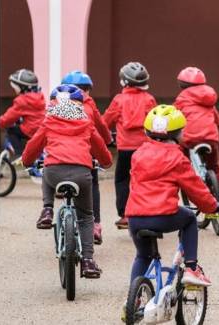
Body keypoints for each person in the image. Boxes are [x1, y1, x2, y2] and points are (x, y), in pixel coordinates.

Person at [125, 104, 219, 286]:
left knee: (142, 255)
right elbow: (195, 189)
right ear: (177, 134)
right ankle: (192, 268)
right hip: (162, 216)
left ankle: (133, 300)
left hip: (135, 218)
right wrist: (213, 206)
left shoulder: (138, 155)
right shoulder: (177, 158)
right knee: (190, 219)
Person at [22, 85, 112, 277]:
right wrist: (105, 162)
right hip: (82, 174)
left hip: (54, 172)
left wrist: (27, 161)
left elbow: (32, 147)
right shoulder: (86, 123)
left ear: (54, 103)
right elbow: (103, 152)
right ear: (79, 104)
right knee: (87, 216)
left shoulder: (49, 121)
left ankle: (47, 208)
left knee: (46, 168)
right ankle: (88, 261)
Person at [103, 62, 157, 229]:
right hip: (145, 148)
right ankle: (150, 213)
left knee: (122, 179)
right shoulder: (149, 99)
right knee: (146, 180)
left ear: (124, 82)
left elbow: (106, 121)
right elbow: (155, 122)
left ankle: (126, 215)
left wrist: (105, 138)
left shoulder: (119, 100)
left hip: (125, 149)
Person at [61, 70, 112, 244]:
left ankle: (50, 211)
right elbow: (101, 127)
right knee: (92, 183)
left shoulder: (56, 105)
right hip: (85, 154)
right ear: (87, 90)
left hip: (60, 154)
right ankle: (95, 224)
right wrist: (108, 140)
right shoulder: (89, 104)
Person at [174, 67, 219, 214]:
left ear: (182, 84)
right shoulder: (210, 99)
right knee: (214, 166)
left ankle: (195, 196)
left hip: (189, 139)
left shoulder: (181, 98)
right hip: (210, 138)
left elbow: (174, 117)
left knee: (183, 166)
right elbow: (218, 121)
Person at [0, 69, 45, 157]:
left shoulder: (22, 101)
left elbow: (9, 118)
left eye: (15, 88)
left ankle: (18, 155)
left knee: (11, 131)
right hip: (41, 128)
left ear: (22, 88)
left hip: (30, 130)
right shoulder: (40, 96)